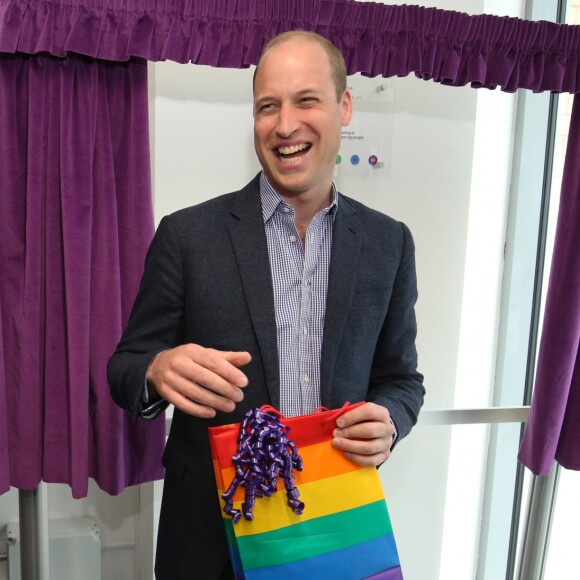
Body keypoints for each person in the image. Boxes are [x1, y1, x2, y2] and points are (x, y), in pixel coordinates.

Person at [108, 30, 425, 580]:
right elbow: (125, 366)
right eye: (267, 107)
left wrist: (392, 420)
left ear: (343, 106)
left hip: (333, 529)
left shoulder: (389, 243)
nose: (285, 126)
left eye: (307, 100)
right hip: (209, 538)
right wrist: (156, 370)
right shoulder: (186, 237)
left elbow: (401, 379)